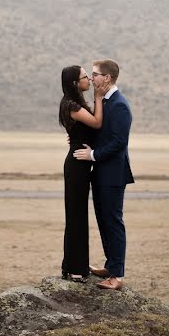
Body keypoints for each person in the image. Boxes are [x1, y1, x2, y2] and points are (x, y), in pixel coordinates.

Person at [73, 59, 134, 291]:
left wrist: (92, 156)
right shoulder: (105, 102)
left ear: (107, 78)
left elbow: (119, 143)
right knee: (104, 221)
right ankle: (110, 266)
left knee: (113, 223)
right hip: (101, 173)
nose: (91, 78)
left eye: (95, 74)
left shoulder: (119, 105)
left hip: (112, 175)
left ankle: (117, 276)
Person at [58, 65, 107, 282]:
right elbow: (97, 123)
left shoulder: (75, 103)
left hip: (80, 162)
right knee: (76, 215)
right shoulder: (71, 104)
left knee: (77, 215)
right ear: (75, 83)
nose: (89, 79)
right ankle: (75, 269)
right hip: (77, 163)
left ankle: (73, 266)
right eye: (85, 76)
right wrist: (98, 96)